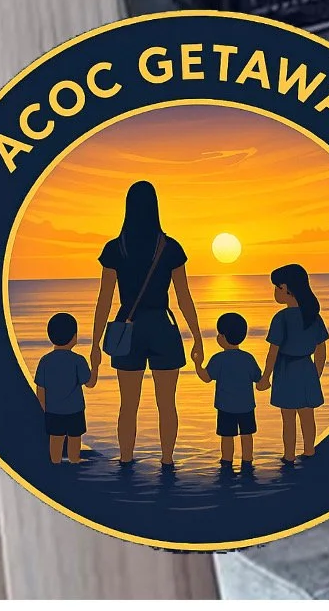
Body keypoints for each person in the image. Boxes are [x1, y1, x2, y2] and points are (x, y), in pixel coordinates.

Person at [88, 177, 203, 470]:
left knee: (128, 405)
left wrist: (95, 344)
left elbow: (104, 299)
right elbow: (183, 297)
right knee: (167, 404)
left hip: (127, 328)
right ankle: (167, 462)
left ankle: (126, 460)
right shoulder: (170, 247)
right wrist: (198, 338)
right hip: (162, 327)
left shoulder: (116, 248)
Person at [265, 264, 327, 463]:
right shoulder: (313, 317)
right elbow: (321, 349)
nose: (275, 292)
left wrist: (266, 377)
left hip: (286, 370)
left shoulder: (281, 318)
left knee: (288, 418)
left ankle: (289, 455)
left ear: (286, 288)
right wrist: (315, 374)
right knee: (308, 416)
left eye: (277, 287)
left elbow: (273, 351)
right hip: (306, 369)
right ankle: (309, 450)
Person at [199, 310, 261, 473]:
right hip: (246, 406)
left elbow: (206, 377)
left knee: (227, 437)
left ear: (223, 337)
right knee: (247, 435)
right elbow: (258, 377)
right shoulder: (248, 358)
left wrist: (198, 364)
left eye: (219, 334)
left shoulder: (218, 359)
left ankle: (227, 462)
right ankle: (247, 461)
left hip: (225, 407)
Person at [32, 312, 94, 466]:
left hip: (53, 410)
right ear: (74, 337)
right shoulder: (78, 360)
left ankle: (55, 461)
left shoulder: (45, 361)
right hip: (75, 409)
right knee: (74, 437)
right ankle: (74, 459)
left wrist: (44, 408)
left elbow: (40, 388)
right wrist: (96, 367)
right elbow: (89, 383)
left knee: (55, 438)